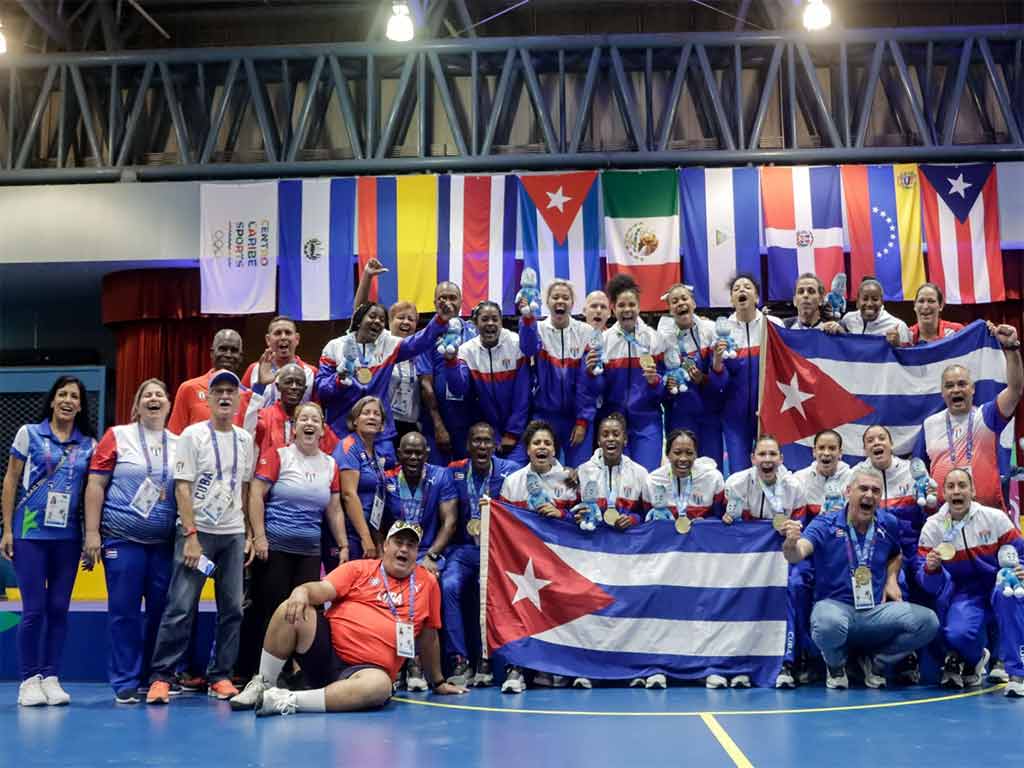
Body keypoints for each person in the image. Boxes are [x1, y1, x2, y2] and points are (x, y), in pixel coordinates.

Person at [228, 521, 467, 715]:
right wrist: (302, 591)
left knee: (380, 687)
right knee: (291, 608)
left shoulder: (428, 583)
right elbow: (322, 590)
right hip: (326, 653)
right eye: (398, 542)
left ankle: (286, 700)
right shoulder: (359, 569)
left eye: (411, 545)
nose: (404, 549)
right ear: (385, 545)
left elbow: (428, 636)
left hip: (367, 672)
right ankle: (263, 684)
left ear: (417, 552)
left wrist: (437, 682)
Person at [146, 370, 256, 705]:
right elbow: (183, 486)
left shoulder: (245, 440)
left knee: (232, 609)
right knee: (181, 606)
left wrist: (250, 532)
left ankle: (220, 675)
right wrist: (190, 534)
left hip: (233, 534)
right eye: (218, 391)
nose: (225, 396)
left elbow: (247, 487)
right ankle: (162, 677)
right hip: (198, 533)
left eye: (230, 392)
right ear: (207, 399)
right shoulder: (192, 436)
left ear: (238, 400)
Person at [783, 466, 939, 689]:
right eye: (863, 488)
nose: (869, 495)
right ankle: (836, 665)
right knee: (827, 625)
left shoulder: (888, 523)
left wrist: (891, 579)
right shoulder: (824, 523)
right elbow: (798, 553)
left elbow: (896, 554)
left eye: (876, 491)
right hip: (836, 608)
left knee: (928, 622)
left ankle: (877, 662)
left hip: (875, 613)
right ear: (848, 492)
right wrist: (790, 543)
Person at [1, 376, 97, 706]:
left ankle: (51, 676)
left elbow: (90, 493)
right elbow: (11, 479)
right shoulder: (29, 434)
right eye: (63, 394)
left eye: (75, 396)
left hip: (67, 538)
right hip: (29, 534)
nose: (68, 400)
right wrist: (8, 529)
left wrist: (89, 537)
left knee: (58, 609)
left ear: (81, 405)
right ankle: (29, 680)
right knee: (34, 610)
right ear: (53, 401)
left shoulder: (89, 445)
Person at [236, 402, 348, 681]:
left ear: (322, 429)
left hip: (310, 552)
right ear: (294, 427)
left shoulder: (330, 464)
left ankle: (298, 672)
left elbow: (334, 509)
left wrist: (344, 545)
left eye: (315, 420)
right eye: (303, 419)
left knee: (304, 611)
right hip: (274, 549)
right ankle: (256, 674)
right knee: (268, 610)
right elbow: (255, 495)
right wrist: (259, 537)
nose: (309, 424)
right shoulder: (279, 455)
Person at [83, 379, 178, 704]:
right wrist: (92, 534)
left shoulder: (180, 443)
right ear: (137, 405)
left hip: (163, 545)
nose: (153, 398)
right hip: (121, 541)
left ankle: (156, 677)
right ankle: (125, 680)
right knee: (124, 612)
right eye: (146, 394)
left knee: (160, 612)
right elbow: (96, 485)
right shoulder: (117, 436)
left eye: (159, 394)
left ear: (168, 405)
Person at [918, 469, 1024, 696]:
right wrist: (930, 569)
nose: (957, 491)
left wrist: (1021, 569)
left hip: (999, 584)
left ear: (973, 491)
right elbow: (928, 585)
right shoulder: (933, 526)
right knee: (958, 635)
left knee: (1010, 595)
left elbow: (1020, 553)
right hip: (967, 594)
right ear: (943, 494)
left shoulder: (994, 518)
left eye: (962, 485)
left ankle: (1016, 672)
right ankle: (977, 658)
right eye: (951, 487)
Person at [315, 292, 455, 465]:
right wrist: (339, 379)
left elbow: (419, 341)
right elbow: (321, 389)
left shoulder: (389, 343)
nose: (377, 322)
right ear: (359, 319)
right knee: (343, 478)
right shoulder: (335, 347)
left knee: (384, 477)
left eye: (382, 319)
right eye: (372, 316)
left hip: (379, 434)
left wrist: (440, 320)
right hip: (341, 429)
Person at [498, 420, 579, 692]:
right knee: (517, 603)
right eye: (536, 443)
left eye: (547, 443)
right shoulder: (512, 482)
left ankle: (561, 667)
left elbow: (583, 521)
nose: (542, 447)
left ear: (555, 449)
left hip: (562, 562)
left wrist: (563, 515)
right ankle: (517, 667)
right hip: (522, 563)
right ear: (527, 449)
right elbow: (503, 526)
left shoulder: (570, 480)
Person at [916, 322, 1022, 509]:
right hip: (943, 519)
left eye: (962, 384)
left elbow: (1015, 390)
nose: (956, 389)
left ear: (972, 389)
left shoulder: (987, 415)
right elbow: (918, 469)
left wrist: (1011, 348)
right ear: (942, 393)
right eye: (949, 386)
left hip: (986, 514)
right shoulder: (929, 424)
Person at [442, 423, 518, 687]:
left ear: (495, 445)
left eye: (487, 441)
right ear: (468, 445)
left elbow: (539, 475)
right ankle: (460, 659)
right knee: (448, 585)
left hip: (498, 552)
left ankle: (490, 658)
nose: (482, 446)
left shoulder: (510, 472)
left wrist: (567, 474)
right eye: (476, 441)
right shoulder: (454, 472)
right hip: (464, 551)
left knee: (493, 588)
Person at [382, 431, 458, 691]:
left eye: (418, 452)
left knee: (425, 585)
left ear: (427, 454)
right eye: (408, 452)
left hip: (428, 551)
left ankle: (417, 662)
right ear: (399, 454)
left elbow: (449, 522)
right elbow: (377, 520)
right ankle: (403, 662)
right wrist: (386, 553)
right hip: (397, 550)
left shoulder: (441, 476)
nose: (413, 457)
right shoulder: (388, 479)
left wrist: (431, 556)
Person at [784, 430, 853, 687]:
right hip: (810, 551)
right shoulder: (798, 479)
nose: (826, 453)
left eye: (831, 448)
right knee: (797, 585)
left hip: (843, 554)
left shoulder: (853, 477)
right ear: (813, 452)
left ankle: (854, 659)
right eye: (821, 448)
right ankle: (798, 656)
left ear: (840, 452)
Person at [581, 275, 668, 471]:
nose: (627, 309)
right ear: (613, 309)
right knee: (618, 483)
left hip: (647, 421)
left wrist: (655, 382)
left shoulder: (655, 340)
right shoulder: (603, 341)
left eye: (632, 304)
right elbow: (596, 391)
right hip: (613, 424)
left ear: (639, 307)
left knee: (647, 478)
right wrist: (591, 374)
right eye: (621, 305)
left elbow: (665, 390)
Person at [519, 279, 593, 467]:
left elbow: (588, 382)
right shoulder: (538, 329)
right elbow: (527, 349)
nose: (560, 301)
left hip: (575, 417)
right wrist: (527, 320)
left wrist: (583, 421)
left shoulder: (585, 331)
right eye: (555, 297)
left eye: (565, 298)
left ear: (572, 303)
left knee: (578, 473)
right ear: (547, 302)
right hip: (544, 415)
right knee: (542, 471)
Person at [715, 275, 783, 473]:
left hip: (769, 412)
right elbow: (717, 375)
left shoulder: (773, 324)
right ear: (731, 300)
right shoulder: (721, 331)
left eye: (747, 287)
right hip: (734, 416)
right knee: (739, 473)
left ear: (757, 297)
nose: (741, 290)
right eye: (736, 289)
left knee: (772, 471)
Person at [447, 301, 531, 461]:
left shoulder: (516, 344)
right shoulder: (466, 351)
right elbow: (459, 390)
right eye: (485, 319)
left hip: (518, 432)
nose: (490, 323)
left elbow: (523, 395)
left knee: (514, 476)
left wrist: (512, 433)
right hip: (486, 434)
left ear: (501, 321)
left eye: (495, 319)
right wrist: (451, 364)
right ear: (475, 324)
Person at [655, 283, 725, 467]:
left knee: (711, 468)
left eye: (684, 298)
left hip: (709, 413)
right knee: (680, 468)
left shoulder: (710, 331)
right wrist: (666, 383)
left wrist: (704, 379)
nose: (680, 303)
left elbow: (722, 373)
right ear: (670, 309)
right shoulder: (663, 338)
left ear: (693, 303)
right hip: (679, 414)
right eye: (674, 301)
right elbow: (657, 376)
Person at [419, 280, 479, 464]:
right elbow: (425, 383)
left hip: (469, 419)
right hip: (438, 422)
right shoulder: (426, 335)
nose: (447, 303)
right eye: (442, 298)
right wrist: (438, 424)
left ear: (461, 302)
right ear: (434, 302)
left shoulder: (474, 332)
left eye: (452, 298)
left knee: (466, 477)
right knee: (438, 478)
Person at [332, 396, 388, 566]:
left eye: (376, 414)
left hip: (368, 530)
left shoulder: (376, 455)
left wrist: (377, 539)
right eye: (366, 413)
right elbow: (349, 495)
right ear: (355, 420)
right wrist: (365, 537)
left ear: (382, 424)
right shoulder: (349, 446)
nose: (372, 417)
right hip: (351, 533)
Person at [248, 363, 340, 458]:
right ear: (278, 387)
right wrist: (259, 388)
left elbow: (337, 451)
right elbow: (245, 433)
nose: (294, 387)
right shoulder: (263, 416)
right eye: (288, 382)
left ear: (304, 389)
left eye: (299, 383)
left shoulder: (314, 423)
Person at [167, 329, 245, 434]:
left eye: (234, 350)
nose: (228, 354)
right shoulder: (189, 388)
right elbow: (174, 435)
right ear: (212, 353)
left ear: (240, 357)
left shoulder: (246, 395)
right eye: (223, 349)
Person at [643, 429, 725, 522]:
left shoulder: (713, 478)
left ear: (696, 455)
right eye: (677, 453)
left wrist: (706, 522)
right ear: (667, 454)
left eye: (689, 453)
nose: (683, 458)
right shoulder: (653, 481)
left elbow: (721, 517)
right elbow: (645, 519)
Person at [241, 316, 316, 405]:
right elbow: (241, 407)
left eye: (288, 333)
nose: (283, 337)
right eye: (277, 333)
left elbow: (318, 411)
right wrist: (260, 386)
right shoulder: (254, 369)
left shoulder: (311, 372)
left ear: (297, 339)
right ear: (268, 340)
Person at [840, 277, 912, 346]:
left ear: (882, 302)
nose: (869, 304)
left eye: (875, 299)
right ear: (858, 302)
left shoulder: (899, 326)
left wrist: (898, 344)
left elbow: (908, 356)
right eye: (865, 299)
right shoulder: (848, 319)